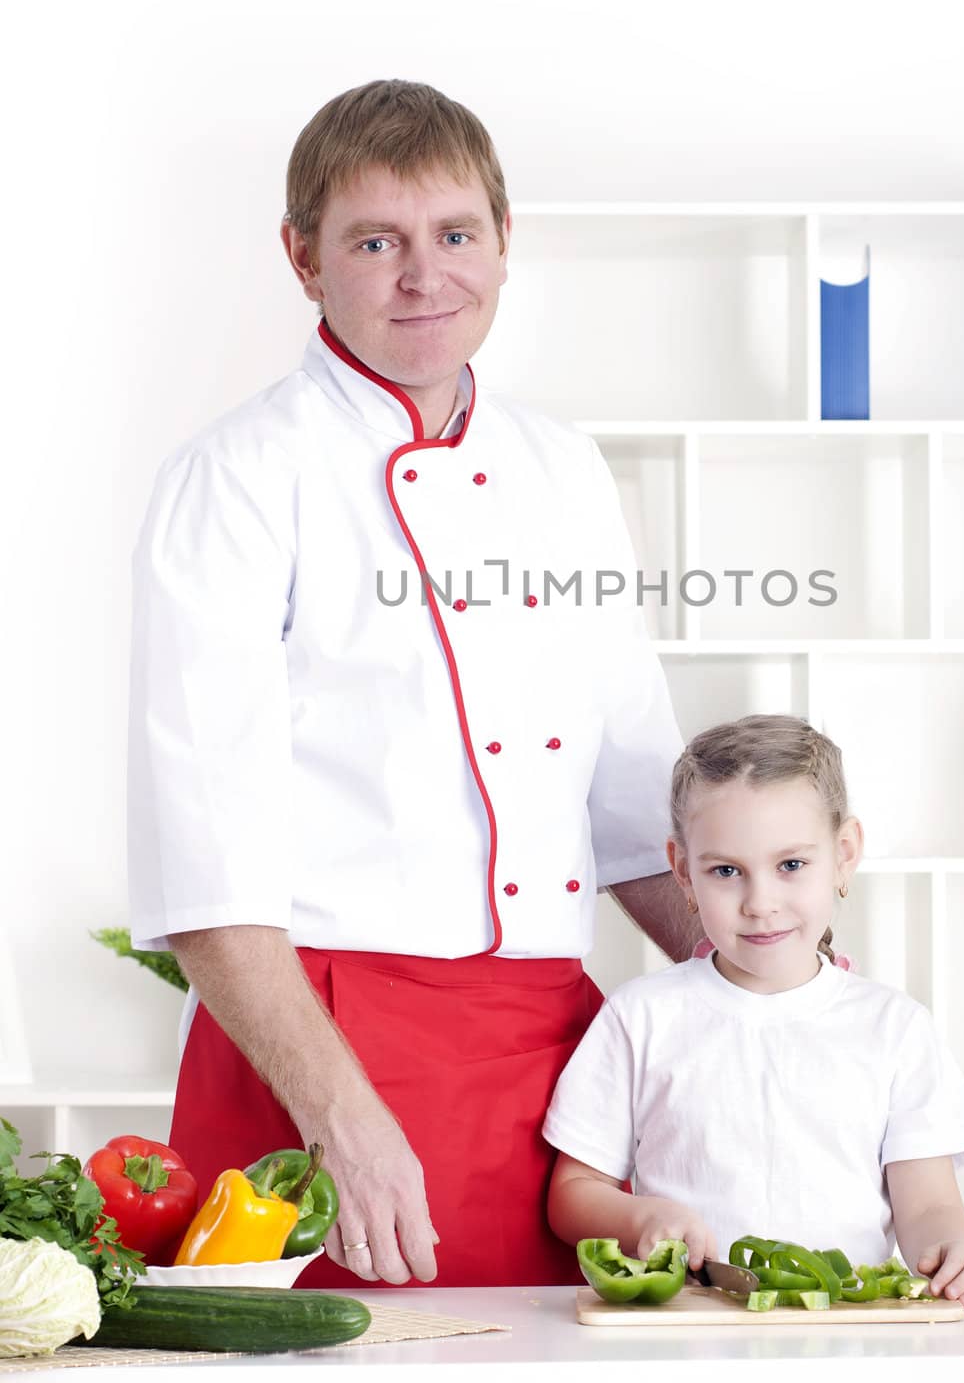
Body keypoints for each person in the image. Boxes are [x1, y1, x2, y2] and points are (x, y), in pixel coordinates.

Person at [126, 79, 700, 1289]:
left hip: (555, 1062)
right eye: (375, 241)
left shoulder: (565, 469)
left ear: (504, 241)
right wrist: (340, 1118)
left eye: (455, 235)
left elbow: (636, 806)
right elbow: (206, 860)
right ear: (302, 257)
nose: (422, 275)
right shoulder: (236, 478)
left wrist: (803, 1002)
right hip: (324, 1055)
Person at [543, 713, 964, 1309]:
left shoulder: (895, 1028)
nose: (760, 904)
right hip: (687, 1330)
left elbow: (930, 1205)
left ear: (843, 854)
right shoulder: (641, 1016)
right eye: (726, 871)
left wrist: (953, 1253)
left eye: (790, 865)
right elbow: (573, 1193)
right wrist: (641, 1217)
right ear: (683, 871)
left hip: (848, 1336)